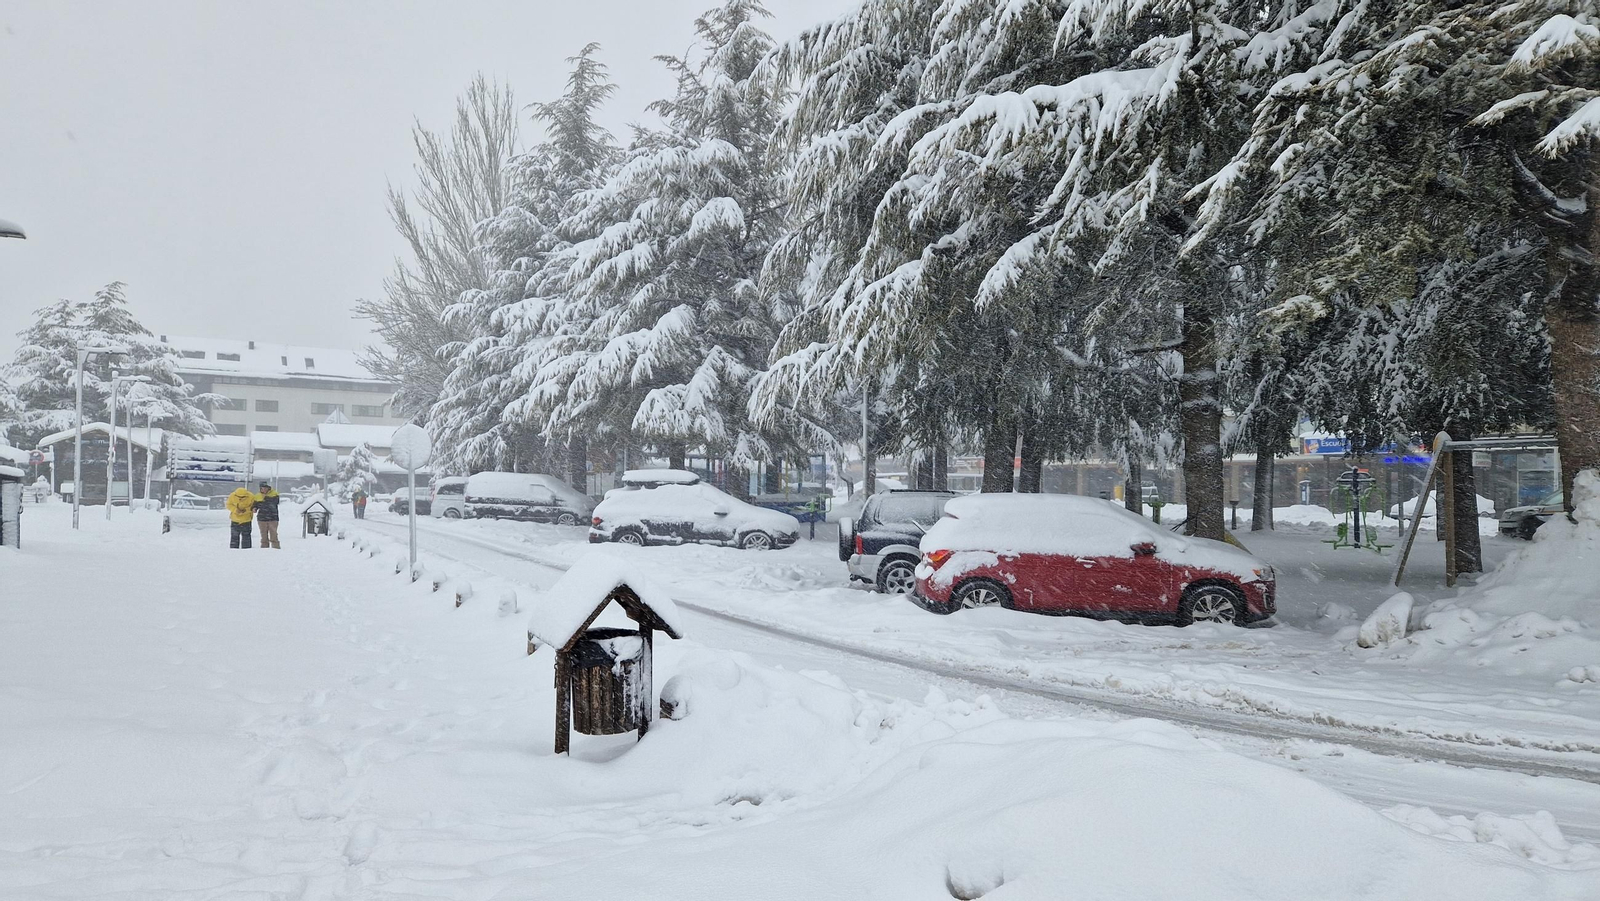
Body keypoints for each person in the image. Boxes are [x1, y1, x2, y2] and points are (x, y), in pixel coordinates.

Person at [253, 481, 281, 549]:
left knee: (273, 535)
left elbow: (274, 503)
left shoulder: (274, 494)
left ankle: (276, 548)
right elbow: (255, 505)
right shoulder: (257, 496)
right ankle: (264, 548)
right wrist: (254, 508)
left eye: (266, 488)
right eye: (262, 488)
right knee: (263, 535)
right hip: (262, 518)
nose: (264, 489)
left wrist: (265, 498)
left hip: (273, 518)